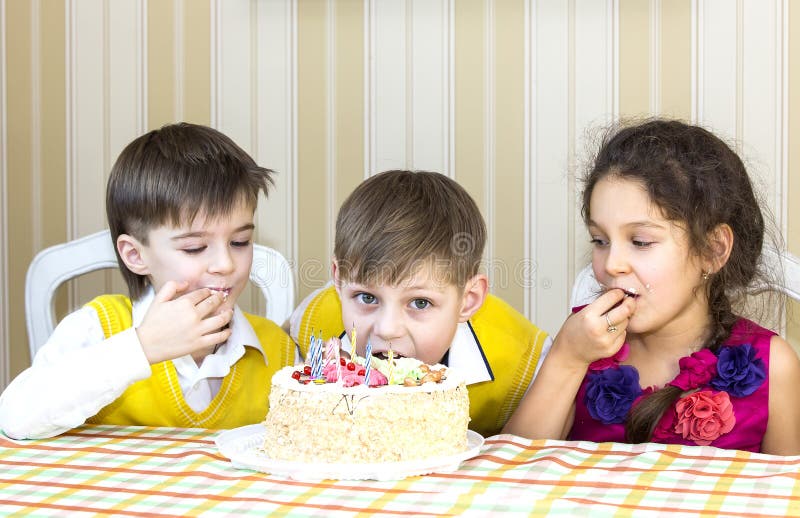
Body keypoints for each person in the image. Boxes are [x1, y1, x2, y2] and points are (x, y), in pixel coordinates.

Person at [503, 118, 800, 455]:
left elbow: (786, 496)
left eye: (641, 241)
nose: (611, 263)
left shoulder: (774, 365)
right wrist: (566, 359)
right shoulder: (582, 343)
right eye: (600, 240)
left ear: (713, 250)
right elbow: (510, 473)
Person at [0, 122, 297, 439]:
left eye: (239, 243)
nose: (225, 264)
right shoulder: (98, 328)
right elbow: (14, 418)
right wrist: (141, 348)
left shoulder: (276, 350)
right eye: (194, 248)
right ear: (135, 255)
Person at [286, 170, 552, 437]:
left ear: (467, 301)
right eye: (367, 298)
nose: (388, 329)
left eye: (420, 303)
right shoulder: (313, 320)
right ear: (339, 282)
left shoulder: (522, 361)